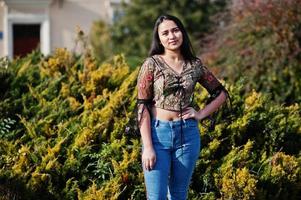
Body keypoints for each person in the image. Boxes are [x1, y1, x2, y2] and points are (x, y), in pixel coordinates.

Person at [136, 14, 228, 200]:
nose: (172, 36)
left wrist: (200, 114)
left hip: (188, 135)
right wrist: (147, 147)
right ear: (159, 38)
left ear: (182, 33)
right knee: (156, 196)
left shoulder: (195, 65)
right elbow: (142, 106)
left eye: (175, 30)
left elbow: (221, 93)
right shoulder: (151, 64)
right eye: (165, 33)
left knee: (179, 195)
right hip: (157, 136)